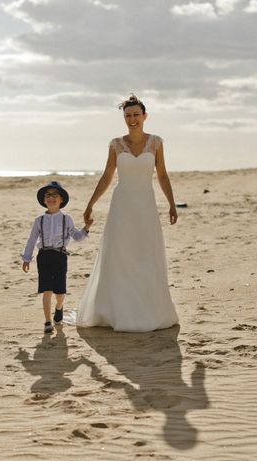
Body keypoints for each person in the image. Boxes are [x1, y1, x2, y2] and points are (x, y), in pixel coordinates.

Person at [75, 94, 179, 332]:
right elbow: (107, 176)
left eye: (136, 115)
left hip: (145, 204)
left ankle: (148, 310)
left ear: (144, 116)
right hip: (121, 206)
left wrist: (172, 204)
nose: (132, 119)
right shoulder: (116, 144)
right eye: (128, 116)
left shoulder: (156, 143)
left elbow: (162, 175)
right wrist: (90, 204)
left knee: (145, 254)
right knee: (119, 255)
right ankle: (117, 311)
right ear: (124, 118)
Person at [21, 181, 92, 334]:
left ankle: (59, 307)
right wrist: (27, 258)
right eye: (48, 195)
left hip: (60, 256)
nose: (51, 198)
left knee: (60, 292)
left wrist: (86, 227)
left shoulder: (67, 219)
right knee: (46, 289)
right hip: (44, 256)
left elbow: (77, 237)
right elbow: (32, 240)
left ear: (61, 200)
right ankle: (47, 321)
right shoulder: (38, 220)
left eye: (54, 195)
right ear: (44, 200)